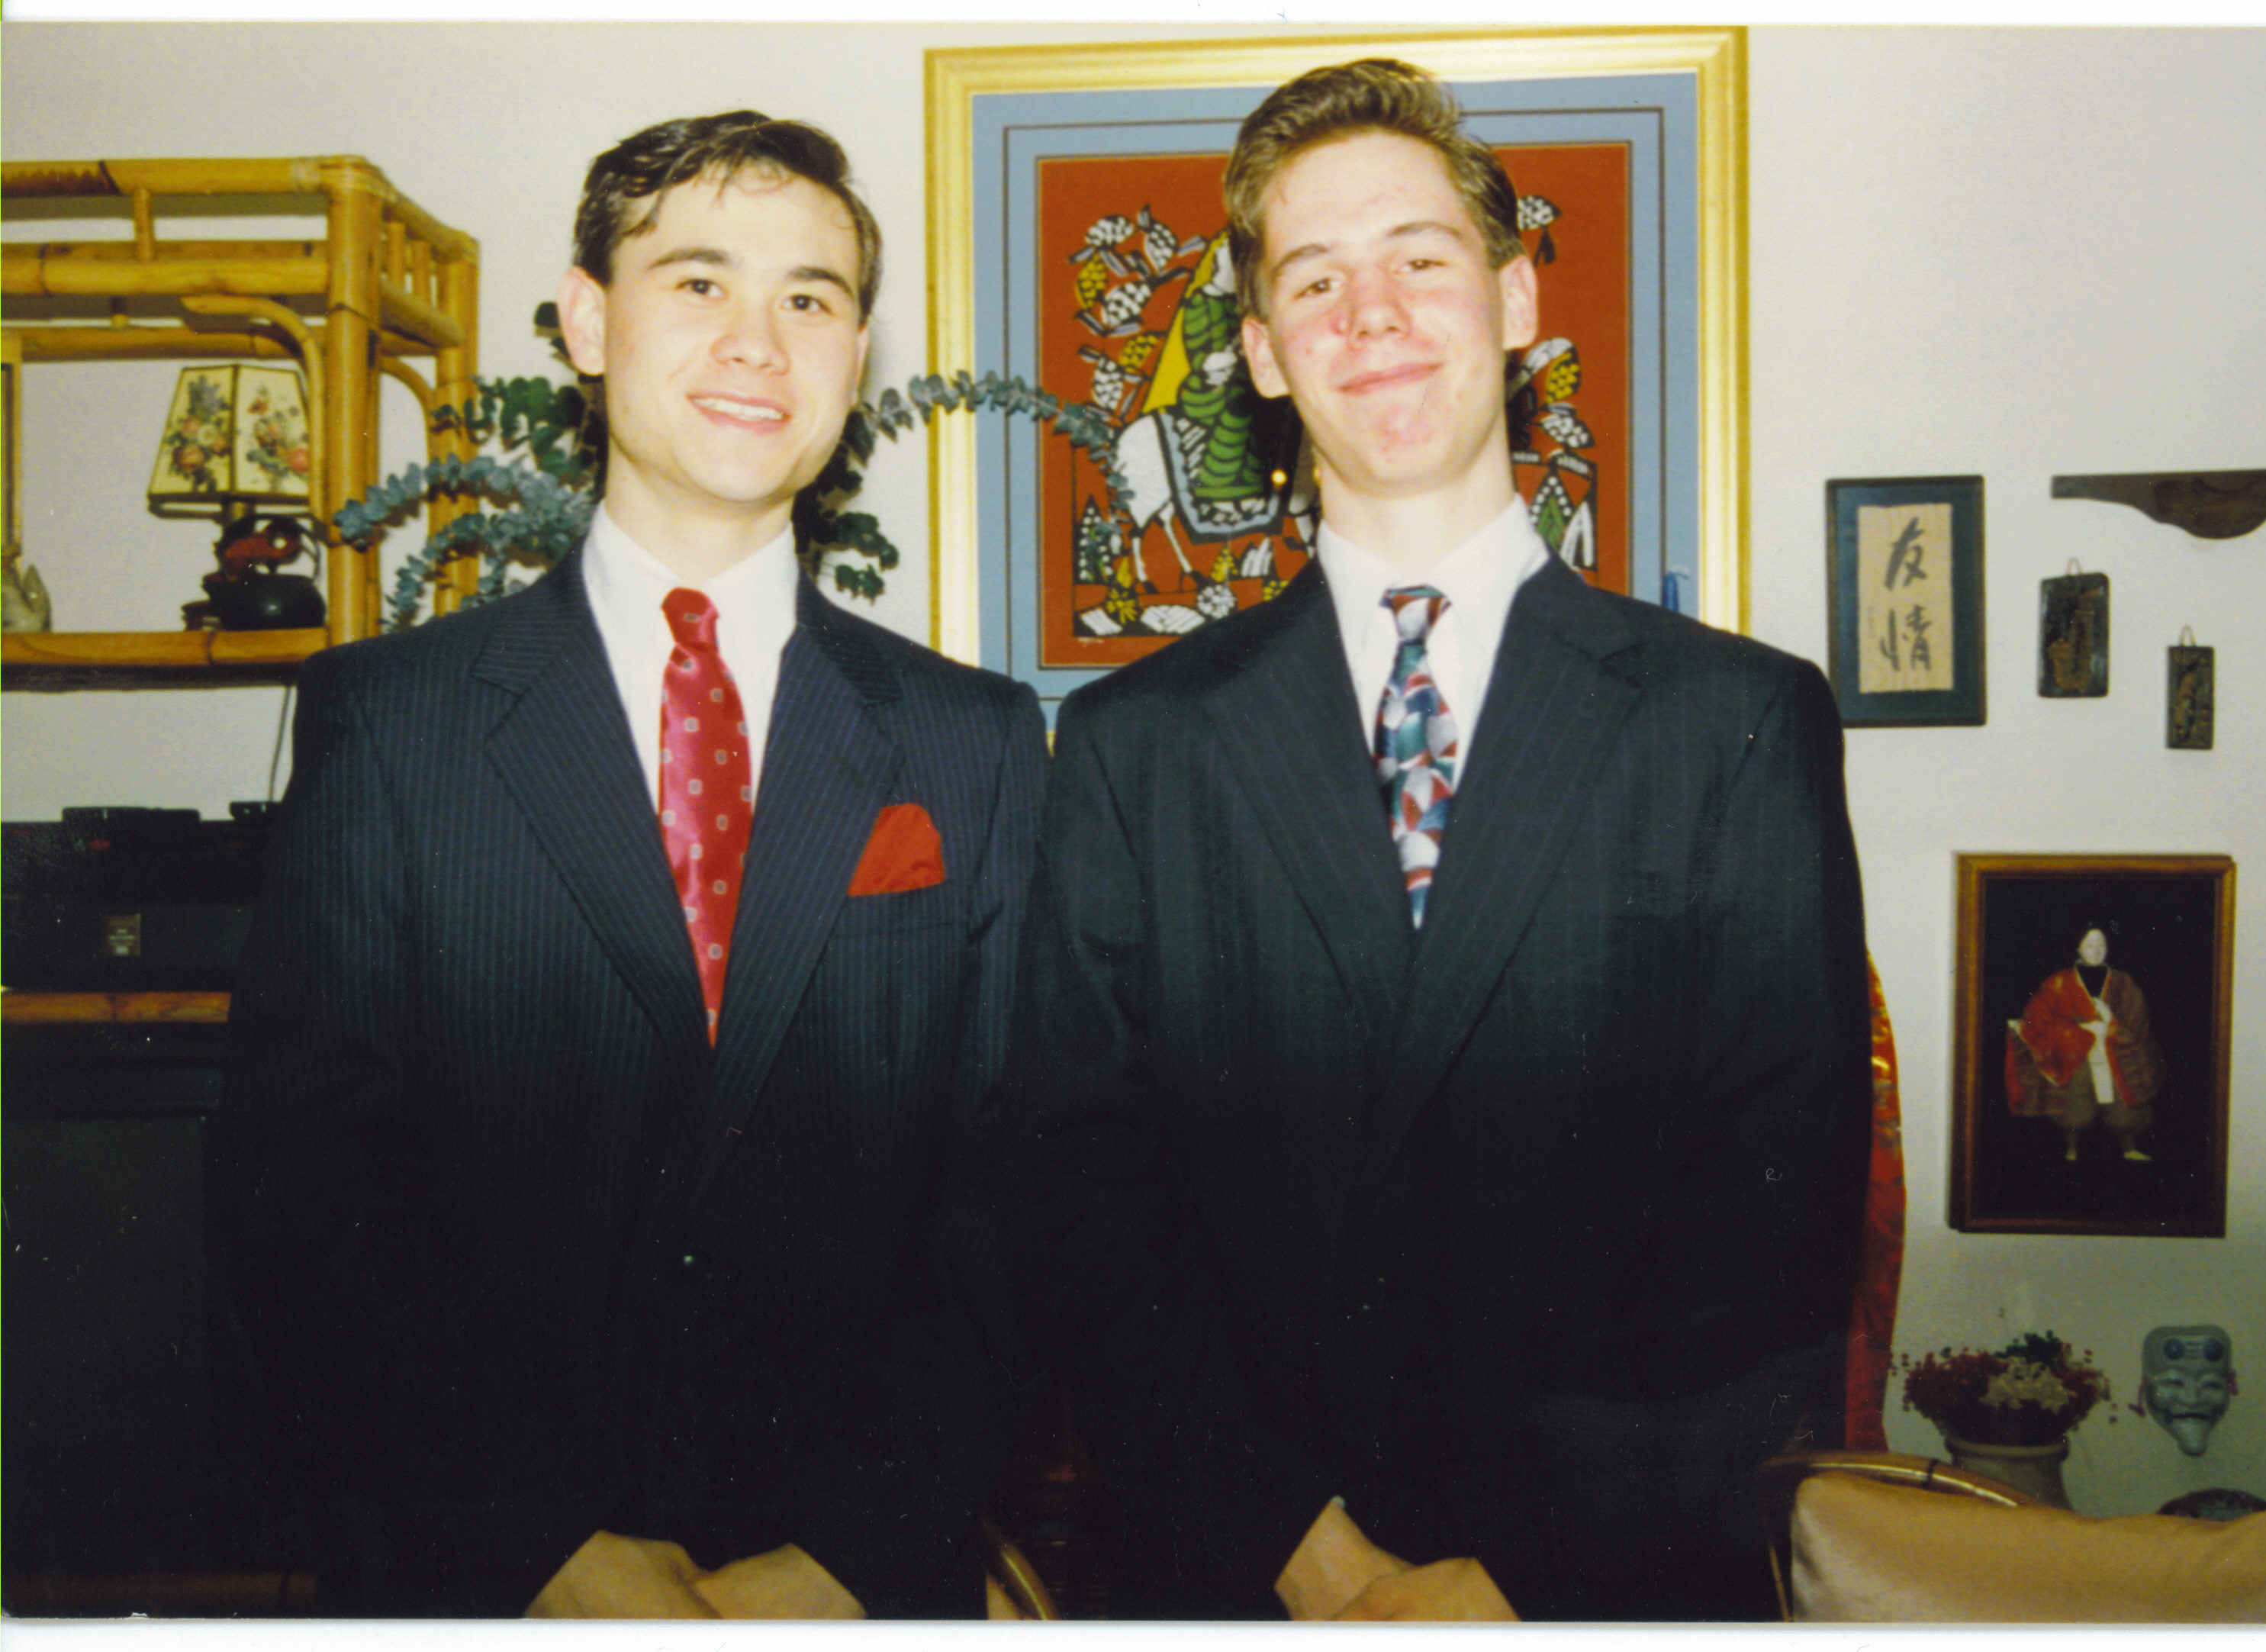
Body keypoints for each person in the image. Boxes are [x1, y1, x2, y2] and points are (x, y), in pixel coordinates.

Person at [1003, 59, 1872, 1621]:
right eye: (1313, 280)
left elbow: (1777, 1228)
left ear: (1517, 299)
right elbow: (1085, 1206)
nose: (1372, 314)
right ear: (1261, 353)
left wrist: (1521, 1572)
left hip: (1604, 1584)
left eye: (1419, 258)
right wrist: (1313, 1556)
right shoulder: (1135, 745)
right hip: (1238, 1574)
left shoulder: (1735, 719)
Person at [217, 111, 1044, 1619]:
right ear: (590, 323)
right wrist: (544, 1549)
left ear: (856, 356)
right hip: (493, 1573)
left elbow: (1009, 1196)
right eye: (699, 281)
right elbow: (305, 1189)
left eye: (809, 297)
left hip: (852, 1578)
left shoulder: (970, 741)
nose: (758, 341)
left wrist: (851, 1555)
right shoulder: (396, 724)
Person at [2007, 923, 2160, 1161]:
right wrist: (2077, 1031)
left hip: (2114, 1052)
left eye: (2101, 945)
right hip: (2076, 1054)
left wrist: (2111, 1025)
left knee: (2123, 1107)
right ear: (2079, 948)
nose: (2096, 950)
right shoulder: (2058, 982)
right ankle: (2071, 1149)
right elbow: (2037, 1020)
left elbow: (2138, 1022)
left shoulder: (2123, 983)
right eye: (2089, 945)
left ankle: (2129, 1148)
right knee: (2076, 1106)